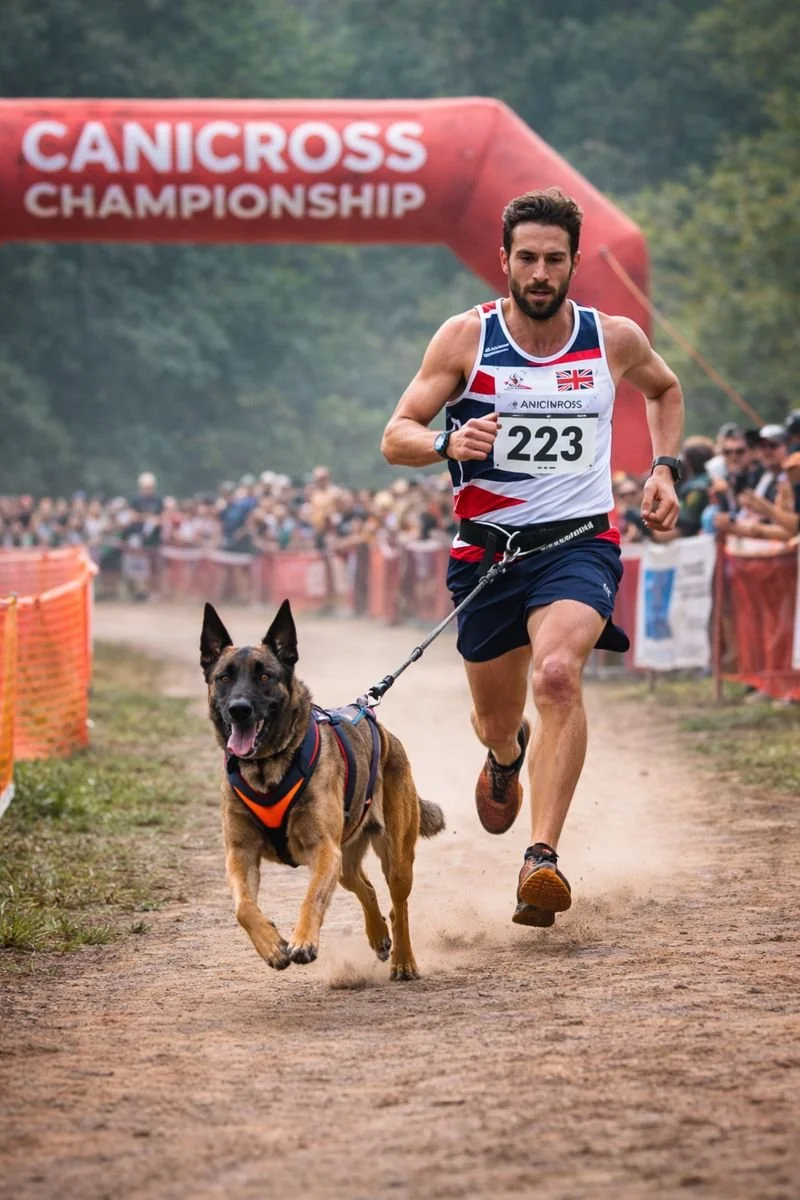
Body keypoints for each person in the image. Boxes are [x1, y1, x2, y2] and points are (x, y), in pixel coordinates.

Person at [381, 187, 683, 928]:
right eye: (527, 259)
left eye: (554, 259)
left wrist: (666, 469)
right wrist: (446, 443)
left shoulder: (611, 337)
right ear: (505, 261)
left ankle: (540, 858)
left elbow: (665, 389)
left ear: (576, 262)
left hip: (578, 544)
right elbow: (396, 433)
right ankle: (506, 755)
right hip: (487, 557)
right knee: (497, 717)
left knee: (557, 676)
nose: (540, 273)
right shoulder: (466, 338)